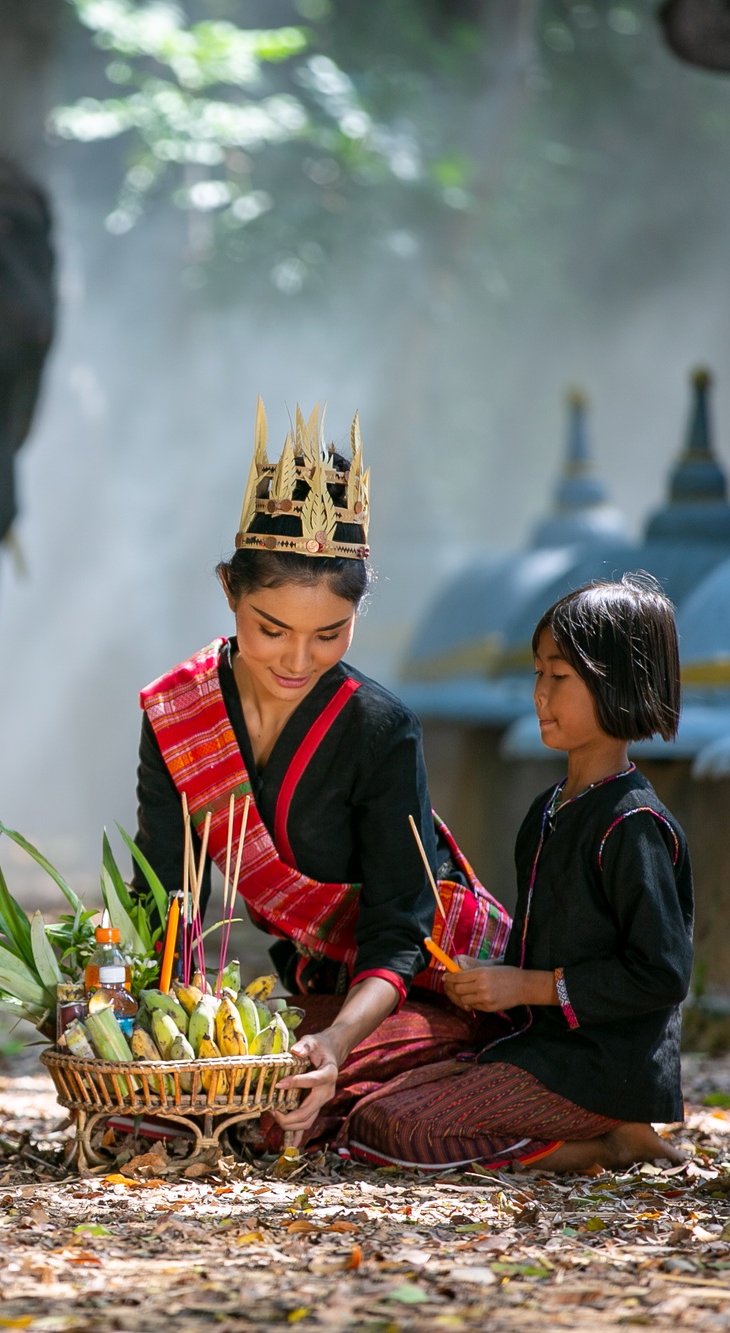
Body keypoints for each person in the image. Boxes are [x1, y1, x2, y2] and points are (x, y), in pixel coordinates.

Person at [134, 403, 512, 1150]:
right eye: (270, 628)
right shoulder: (180, 712)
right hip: (316, 990)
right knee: (191, 1103)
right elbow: (169, 893)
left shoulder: (379, 726)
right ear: (227, 592)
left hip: (430, 983)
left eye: (329, 634)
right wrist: (149, 1023)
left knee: (283, 1108)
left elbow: (402, 927)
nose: (298, 660)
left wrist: (338, 1041)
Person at [343, 576, 693, 1170]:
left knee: (399, 1134)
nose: (540, 694)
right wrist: (490, 977)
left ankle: (604, 1144)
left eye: (559, 677)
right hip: (539, 1050)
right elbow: (539, 950)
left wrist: (528, 986)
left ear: (618, 685)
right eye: (538, 674)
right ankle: (609, 1138)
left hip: (600, 1071)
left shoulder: (633, 825)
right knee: (366, 1112)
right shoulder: (548, 810)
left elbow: (661, 975)